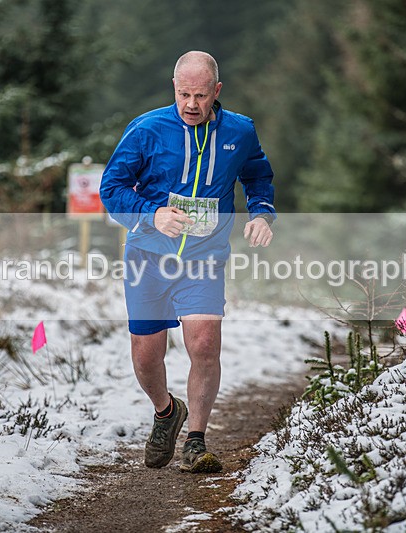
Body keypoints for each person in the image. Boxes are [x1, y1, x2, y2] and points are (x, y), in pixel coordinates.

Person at [99, 51, 276, 473]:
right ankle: (166, 411)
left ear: (216, 92)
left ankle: (195, 440)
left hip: (203, 258)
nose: (192, 105)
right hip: (148, 256)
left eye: (200, 95)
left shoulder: (239, 131)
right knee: (146, 356)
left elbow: (257, 175)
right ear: (173, 88)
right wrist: (152, 214)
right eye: (183, 94)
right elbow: (112, 188)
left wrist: (262, 212)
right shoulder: (146, 129)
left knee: (204, 344)